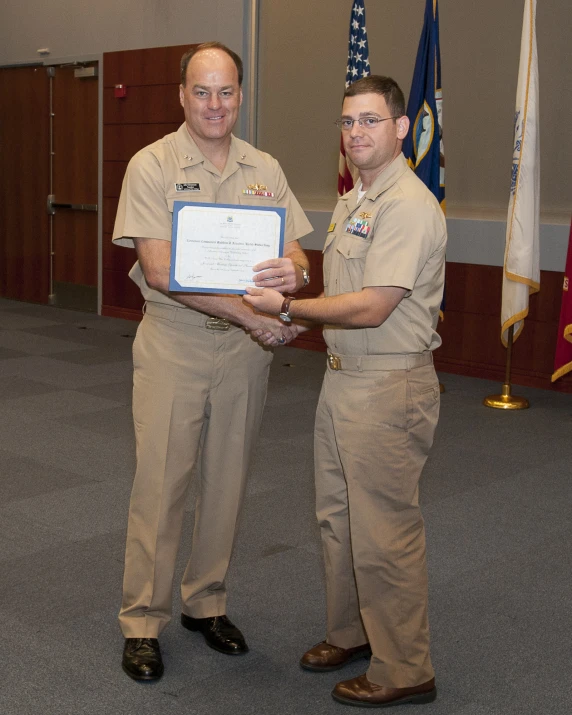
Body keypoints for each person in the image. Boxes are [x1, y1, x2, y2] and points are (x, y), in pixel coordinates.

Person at [112, 41, 312, 681]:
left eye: (226, 91)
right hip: (175, 343)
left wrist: (296, 274)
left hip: (244, 357)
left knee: (227, 481)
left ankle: (206, 601)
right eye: (202, 91)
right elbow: (163, 269)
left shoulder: (266, 168)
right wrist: (257, 317)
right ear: (182, 96)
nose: (215, 104)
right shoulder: (152, 164)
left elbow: (299, 255)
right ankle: (143, 620)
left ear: (241, 96)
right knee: (162, 485)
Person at [244, 75, 446, 708]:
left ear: (402, 128)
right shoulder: (358, 199)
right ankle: (353, 632)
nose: (356, 133)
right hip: (343, 384)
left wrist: (290, 308)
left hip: (388, 386)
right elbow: (340, 293)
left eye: (371, 121)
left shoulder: (407, 204)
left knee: (385, 533)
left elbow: (373, 307)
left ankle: (405, 668)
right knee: (339, 522)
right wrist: (296, 300)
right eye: (348, 122)